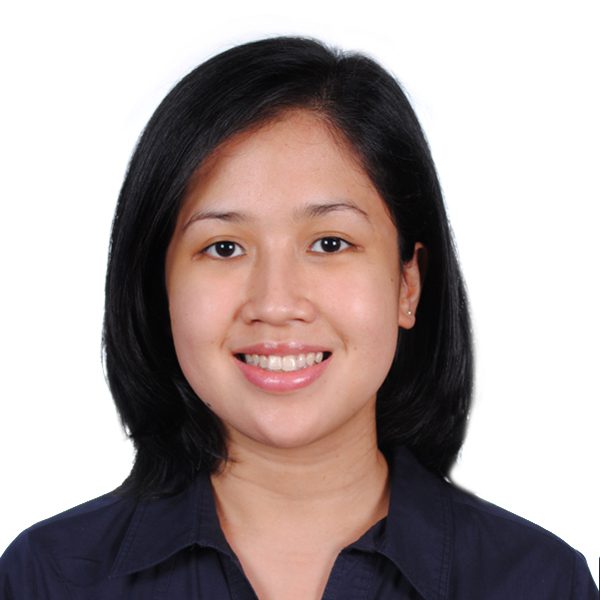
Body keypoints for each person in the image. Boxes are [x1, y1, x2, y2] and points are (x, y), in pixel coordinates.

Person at [0, 36, 596, 599]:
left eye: (330, 243)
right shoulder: (46, 579)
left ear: (407, 285)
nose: (276, 303)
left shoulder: (538, 583)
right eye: (224, 247)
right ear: (160, 290)